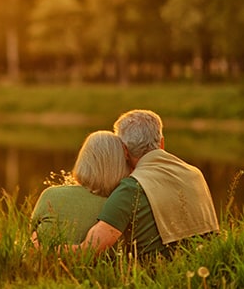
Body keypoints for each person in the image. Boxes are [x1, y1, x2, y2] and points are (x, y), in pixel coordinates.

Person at [74, 109, 219, 257]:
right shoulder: (195, 173)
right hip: (205, 264)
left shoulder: (132, 188)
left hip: (156, 274)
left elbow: (89, 250)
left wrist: (53, 248)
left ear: (124, 150)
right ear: (161, 143)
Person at [31, 130, 131, 246]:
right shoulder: (120, 205)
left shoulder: (50, 195)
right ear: (120, 165)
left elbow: (32, 232)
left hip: (45, 262)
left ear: (83, 160)